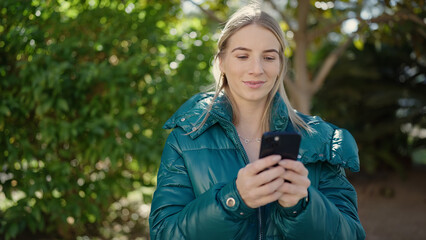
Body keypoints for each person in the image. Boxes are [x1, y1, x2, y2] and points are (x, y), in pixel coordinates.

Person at [149, 3, 366, 240]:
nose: (257, 69)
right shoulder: (185, 139)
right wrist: (234, 200)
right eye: (242, 56)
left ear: (281, 64)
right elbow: (164, 234)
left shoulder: (320, 140)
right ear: (221, 62)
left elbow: (351, 234)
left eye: (269, 57)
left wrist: (302, 205)